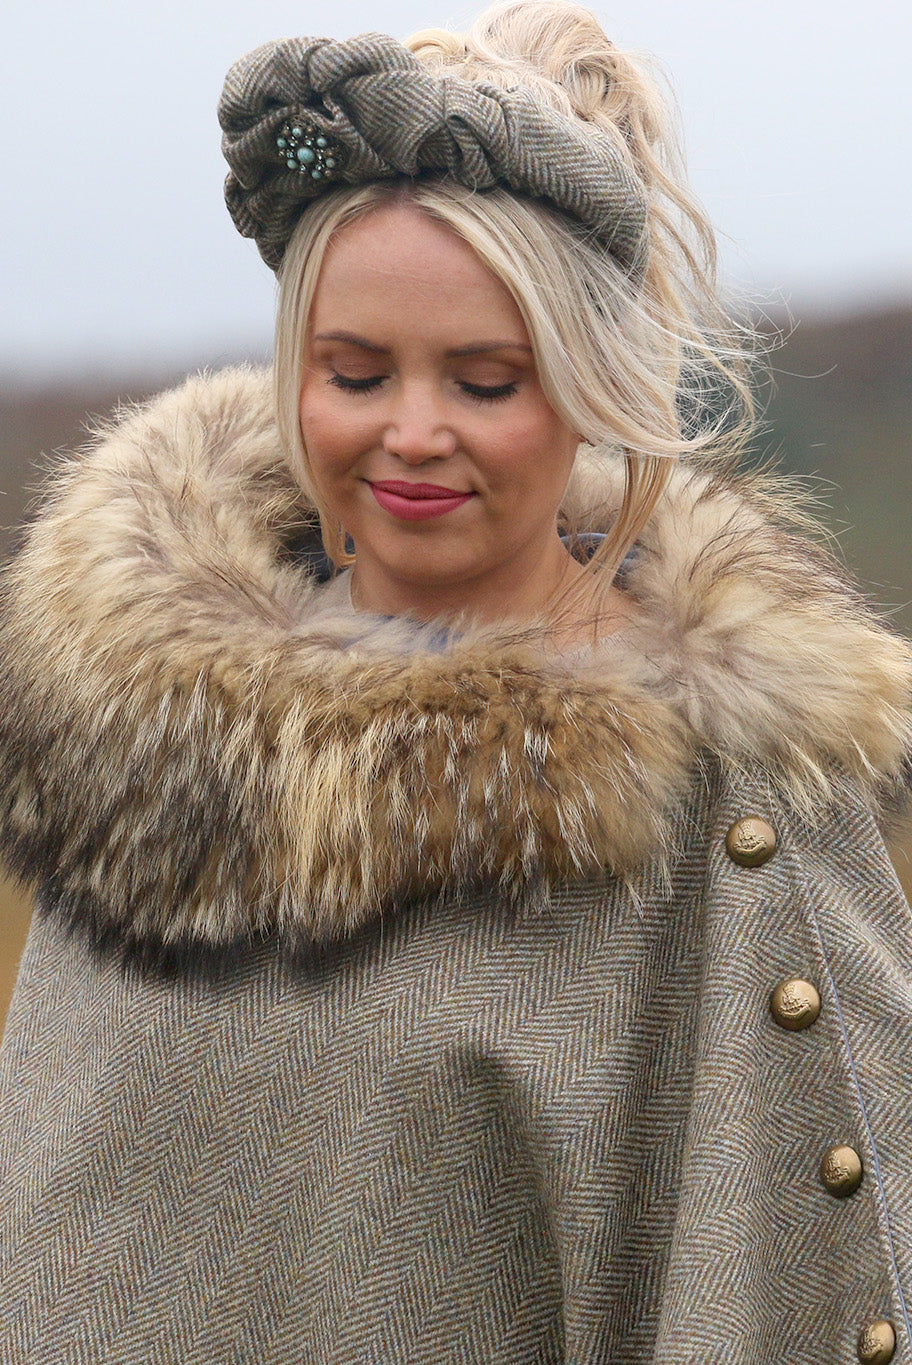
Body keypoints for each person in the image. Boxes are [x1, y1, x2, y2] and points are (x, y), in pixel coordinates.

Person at [0, 3, 910, 1361]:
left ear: (595, 391)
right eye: (354, 372)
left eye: (485, 379)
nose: (410, 433)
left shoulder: (730, 805)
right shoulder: (147, 752)